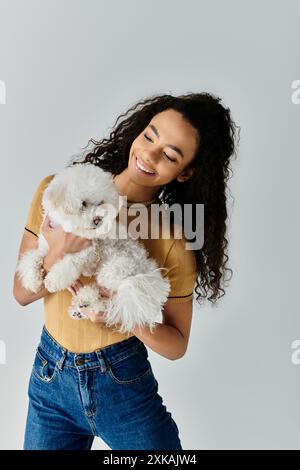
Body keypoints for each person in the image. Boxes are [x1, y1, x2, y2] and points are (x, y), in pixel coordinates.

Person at [13, 92, 239, 450]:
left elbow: (176, 344)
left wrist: (120, 314)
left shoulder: (170, 238)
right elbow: (21, 293)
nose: (149, 154)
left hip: (121, 386)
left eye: (170, 155)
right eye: (150, 136)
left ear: (185, 173)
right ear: (137, 130)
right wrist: (59, 250)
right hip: (50, 379)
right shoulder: (59, 191)